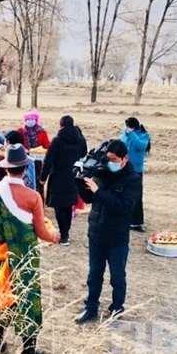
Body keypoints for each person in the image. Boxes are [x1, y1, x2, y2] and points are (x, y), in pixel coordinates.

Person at [0, 144, 60, 354]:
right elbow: (41, 232)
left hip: (1, 255)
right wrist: (54, 236)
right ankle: (27, 352)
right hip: (24, 257)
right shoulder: (33, 197)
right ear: (25, 168)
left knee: (0, 298)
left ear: (6, 168)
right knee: (27, 299)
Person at [73, 140, 141, 324]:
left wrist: (98, 192)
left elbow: (123, 206)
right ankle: (90, 308)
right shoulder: (102, 172)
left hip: (117, 237)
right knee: (94, 275)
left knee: (117, 277)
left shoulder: (133, 180)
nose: (111, 162)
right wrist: (80, 182)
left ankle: (116, 309)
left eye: (115, 160)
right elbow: (89, 198)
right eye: (108, 158)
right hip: (96, 233)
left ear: (125, 159)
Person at [40, 115, 87, 246]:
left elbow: (49, 160)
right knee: (68, 205)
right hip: (73, 176)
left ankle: (64, 235)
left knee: (59, 207)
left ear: (61, 126)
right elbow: (84, 154)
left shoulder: (57, 140)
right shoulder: (80, 139)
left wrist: (43, 177)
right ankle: (66, 233)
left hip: (58, 176)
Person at [119, 117, 151, 231]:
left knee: (136, 196)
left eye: (130, 126)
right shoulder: (124, 134)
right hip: (123, 168)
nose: (128, 128)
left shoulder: (144, 135)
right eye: (127, 126)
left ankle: (137, 222)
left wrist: (132, 134)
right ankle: (124, 220)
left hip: (136, 169)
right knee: (122, 194)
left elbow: (141, 146)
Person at [17, 112, 50, 200]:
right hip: (24, 160)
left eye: (32, 119)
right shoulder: (20, 131)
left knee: (38, 180)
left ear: (36, 120)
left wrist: (42, 151)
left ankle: (38, 200)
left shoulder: (42, 132)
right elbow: (16, 143)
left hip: (37, 160)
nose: (30, 121)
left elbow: (47, 145)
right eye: (28, 119)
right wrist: (23, 149)